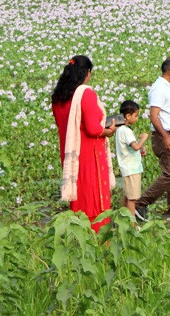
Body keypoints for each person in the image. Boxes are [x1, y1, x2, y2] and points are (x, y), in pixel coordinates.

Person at [51, 55, 116, 231]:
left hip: (70, 154)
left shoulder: (58, 97)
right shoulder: (85, 93)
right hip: (89, 154)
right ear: (87, 73)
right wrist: (108, 130)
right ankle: (97, 239)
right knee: (94, 200)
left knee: (79, 197)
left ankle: (78, 238)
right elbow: (94, 129)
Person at [135, 57, 170, 221]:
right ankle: (141, 203)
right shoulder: (159, 88)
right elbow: (154, 116)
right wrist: (166, 138)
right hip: (166, 136)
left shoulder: (168, 87)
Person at [114, 100, 149, 221]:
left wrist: (141, 149)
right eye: (136, 115)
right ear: (128, 116)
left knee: (127, 195)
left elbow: (133, 148)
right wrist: (143, 139)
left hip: (127, 167)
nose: (137, 118)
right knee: (132, 198)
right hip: (131, 168)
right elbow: (135, 146)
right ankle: (132, 225)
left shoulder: (120, 130)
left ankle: (122, 219)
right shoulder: (126, 131)